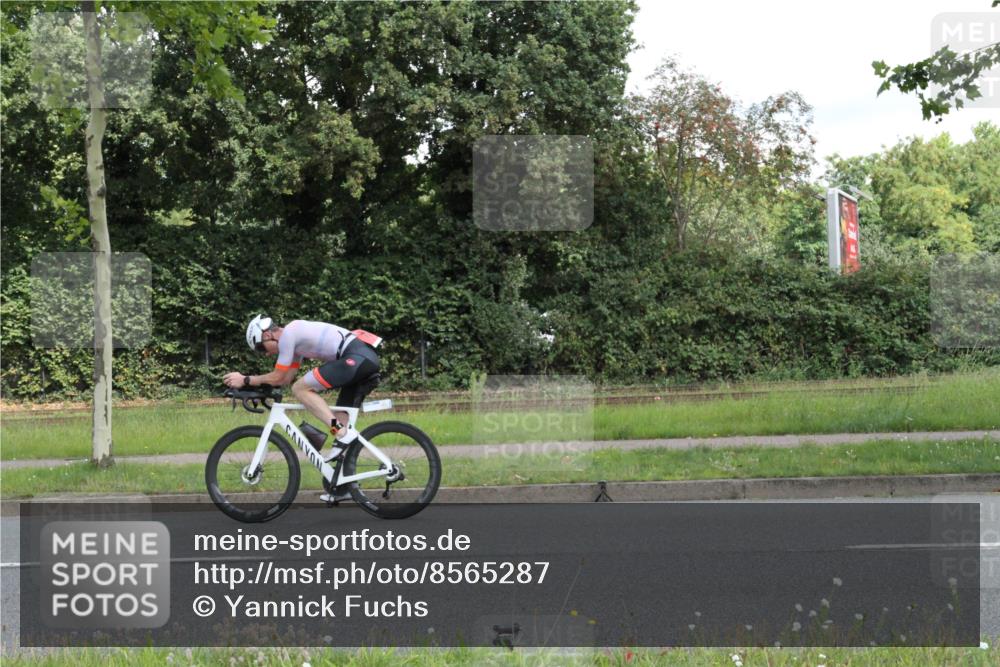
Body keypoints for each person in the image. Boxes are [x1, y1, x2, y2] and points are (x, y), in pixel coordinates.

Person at [222, 315, 381, 501]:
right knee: (340, 422)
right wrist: (256, 386)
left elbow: (279, 377)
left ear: (266, 336)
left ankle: (338, 431)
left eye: (260, 348)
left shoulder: (289, 334)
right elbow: (286, 378)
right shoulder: (295, 345)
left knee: (301, 388)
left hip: (356, 357)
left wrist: (246, 379)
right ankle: (342, 486)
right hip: (361, 358)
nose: (264, 354)